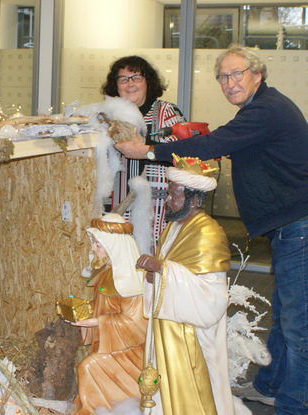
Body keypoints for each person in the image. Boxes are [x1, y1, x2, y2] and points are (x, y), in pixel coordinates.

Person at [115, 45, 308, 415]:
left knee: (298, 323)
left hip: (298, 225)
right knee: (286, 313)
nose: (230, 83)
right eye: (224, 76)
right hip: (289, 226)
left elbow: (215, 143)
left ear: (257, 75)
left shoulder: (266, 110)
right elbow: (219, 142)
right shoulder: (259, 110)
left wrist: (149, 151)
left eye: (238, 74)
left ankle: (293, 405)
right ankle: (269, 386)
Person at [136, 155, 233, 414]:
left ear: (192, 199)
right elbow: (166, 269)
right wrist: (154, 274)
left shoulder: (209, 233)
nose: (167, 200)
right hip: (168, 324)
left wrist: (162, 269)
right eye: (168, 194)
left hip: (191, 334)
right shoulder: (174, 226)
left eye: (173, 195)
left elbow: (212, 299)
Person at [102, 56, 186, 247]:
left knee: (153, 266)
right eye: (123, 79)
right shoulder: (107, 118)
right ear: (115, 85)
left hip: (158, 211)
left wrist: (145, 146)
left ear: (148, 81)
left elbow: (183, 156)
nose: (130, 84)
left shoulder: (167, 112)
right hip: (115, 210)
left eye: (136, 77)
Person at [69, 213, 147, 415]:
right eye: (94, 243)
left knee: (87, 367)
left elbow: (136, 324)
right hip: (111, 343)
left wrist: (96, 321)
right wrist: (81, 310)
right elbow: (102, 305)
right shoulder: (107, 273)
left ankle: (92, 411)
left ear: (114, 247)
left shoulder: (132, 281)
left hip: (129, 351)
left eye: (98, 244)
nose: (93, 248)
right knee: (88, 366)